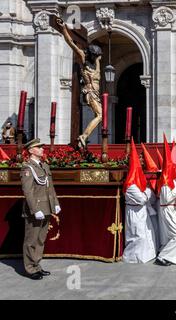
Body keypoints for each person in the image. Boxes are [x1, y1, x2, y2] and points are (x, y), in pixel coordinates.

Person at [57, 18, 102, 149]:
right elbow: (71, 42)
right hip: (89, 92)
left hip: (96, 93)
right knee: (100, 115)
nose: (97, 57)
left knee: (100, 116)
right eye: (95, 55)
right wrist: (64, 28)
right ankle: (84, 136)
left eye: (97, 56)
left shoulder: (96, 61)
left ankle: (84, 136)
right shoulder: (83, 58)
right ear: (91, 54)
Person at [20, 138, 61, 280]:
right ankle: (30, 269)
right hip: (36, 209)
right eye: (39, 147)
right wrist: (34, 209)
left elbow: (50, 187)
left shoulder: (44, 166)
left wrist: (55, 202)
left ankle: (36, 265)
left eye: (42, 147)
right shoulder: (28, 168)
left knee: (40, 239)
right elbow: (28, 191)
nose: (42, 149)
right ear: (31, 150)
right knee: (31, 240)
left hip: (46, 207)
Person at [122, 138, 158, 264]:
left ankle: (146, 255)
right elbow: (142, 199)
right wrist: (147, 191)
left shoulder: (140, 183)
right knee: (137, 235)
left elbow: (151, 197)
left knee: (147, 234)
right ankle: (133, 257)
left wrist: (146, 192)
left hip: (142, 212)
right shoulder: (131, 185)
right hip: (135, 212)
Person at [154, 136, 176, 266]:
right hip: (168, 210)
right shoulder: (166, 183)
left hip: (172, 209)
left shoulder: (171, 181)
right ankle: (163, 256)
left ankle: (172, 256)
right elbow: (167, 199)